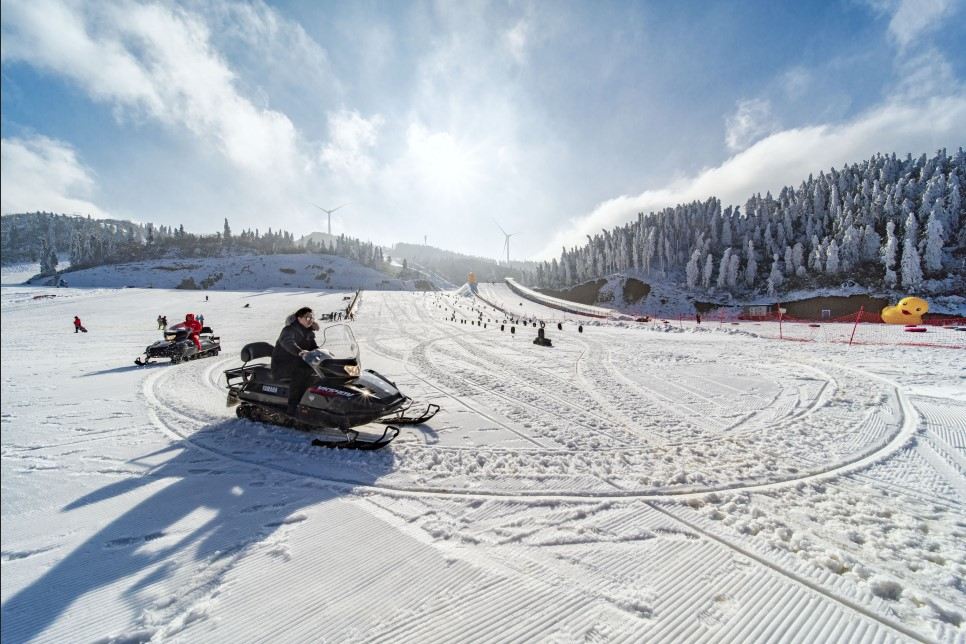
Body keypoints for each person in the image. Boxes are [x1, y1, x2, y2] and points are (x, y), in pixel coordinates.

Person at [271, 307, 319, 418]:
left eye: (312, 317)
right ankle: (293, 407)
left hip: (298, 362)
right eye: (307, 317)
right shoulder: (288, 330)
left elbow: (314, 347)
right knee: (302, 373)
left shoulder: (308, 332)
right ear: (299, 318)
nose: (310, 320)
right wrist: (300, 352)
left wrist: (323, 354)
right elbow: (288, 343)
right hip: (283, 365)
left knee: (317, 373)